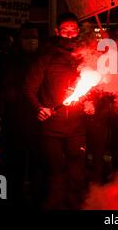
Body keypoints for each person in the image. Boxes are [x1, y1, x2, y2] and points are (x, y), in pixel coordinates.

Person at [23, 12, 88, 209]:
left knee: (77, 173)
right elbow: (29, 88)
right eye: (65, 30)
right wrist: (39, 108)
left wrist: (90, 103)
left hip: (77, 127)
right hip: (51, 128)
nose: (69, 35)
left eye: (73, 30)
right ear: (57, 31)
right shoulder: (46, 57)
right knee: (55, 172)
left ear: (78, 31)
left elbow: (94, 86)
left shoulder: (85, 57)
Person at [0, 22, 41, 207]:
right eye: (26, 37)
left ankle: (36, 201)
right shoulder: (9, 61)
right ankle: (12, 200)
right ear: (20, 39)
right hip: (14, 122)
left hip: (39, 123)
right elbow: (1, 88)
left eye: (33, 38)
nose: (30, 41)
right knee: (14, 167)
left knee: (37, 168)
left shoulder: (42, 60)